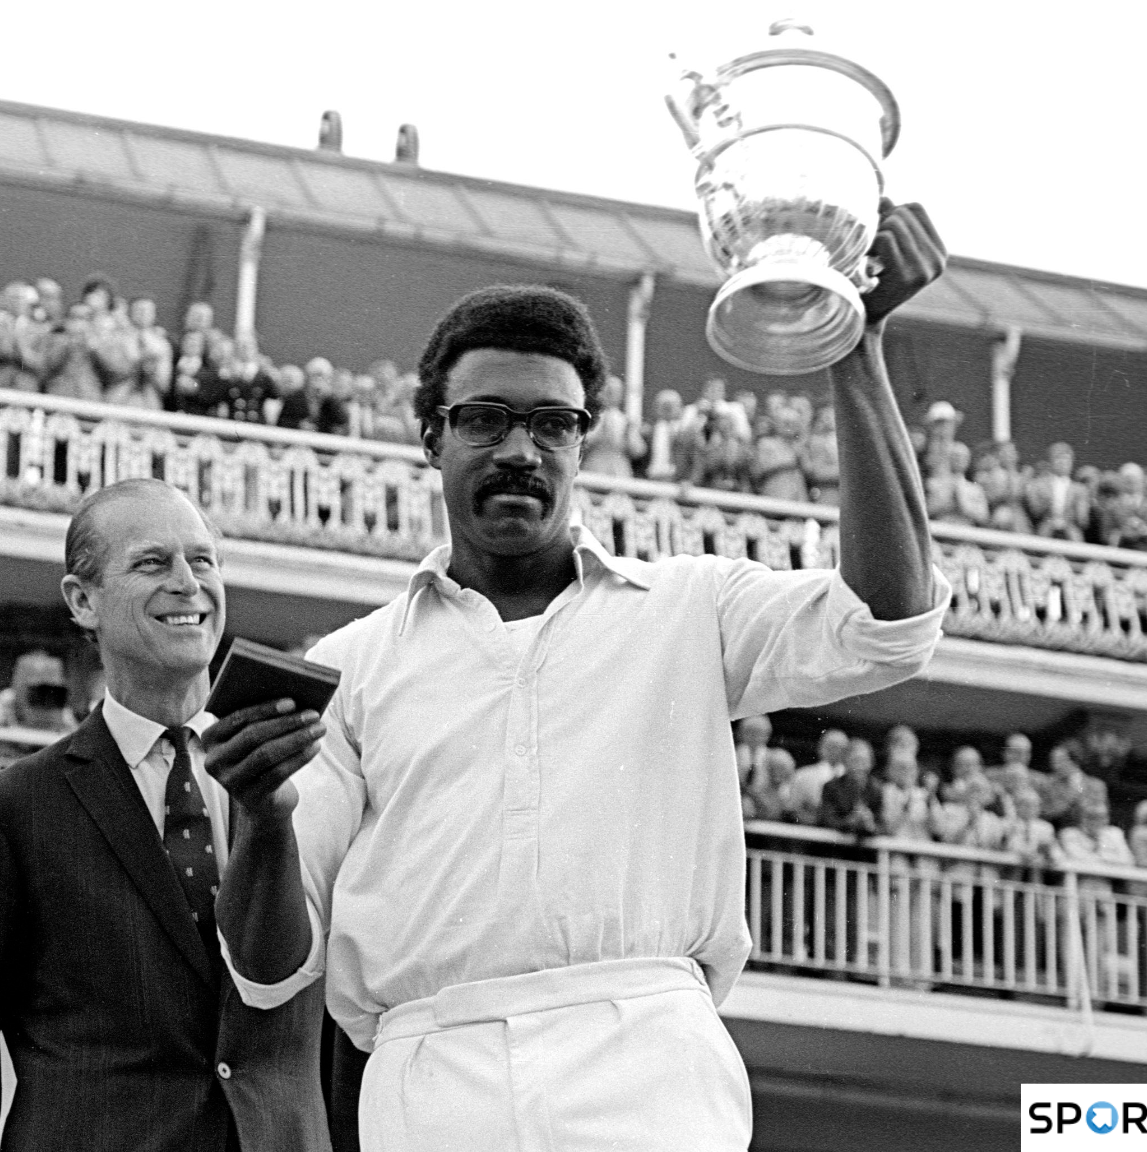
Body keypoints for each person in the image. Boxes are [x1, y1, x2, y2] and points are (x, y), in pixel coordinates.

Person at [214, 201, 949, 1152]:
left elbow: (889, 625)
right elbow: (269, 969)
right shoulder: (349, 667)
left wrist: (856, 345)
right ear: (429, 437)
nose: (520, 450)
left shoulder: (690, 608)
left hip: (647, 1055)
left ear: (582, 442)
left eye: (552, 424)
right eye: (484, 420)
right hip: (429, 1071)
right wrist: (263, 820)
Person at [0, 479, 331, 1152]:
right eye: (152, 563)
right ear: (83, 600)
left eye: (204, 560)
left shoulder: (306, 778)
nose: (189, 584)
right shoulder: (9, 815)